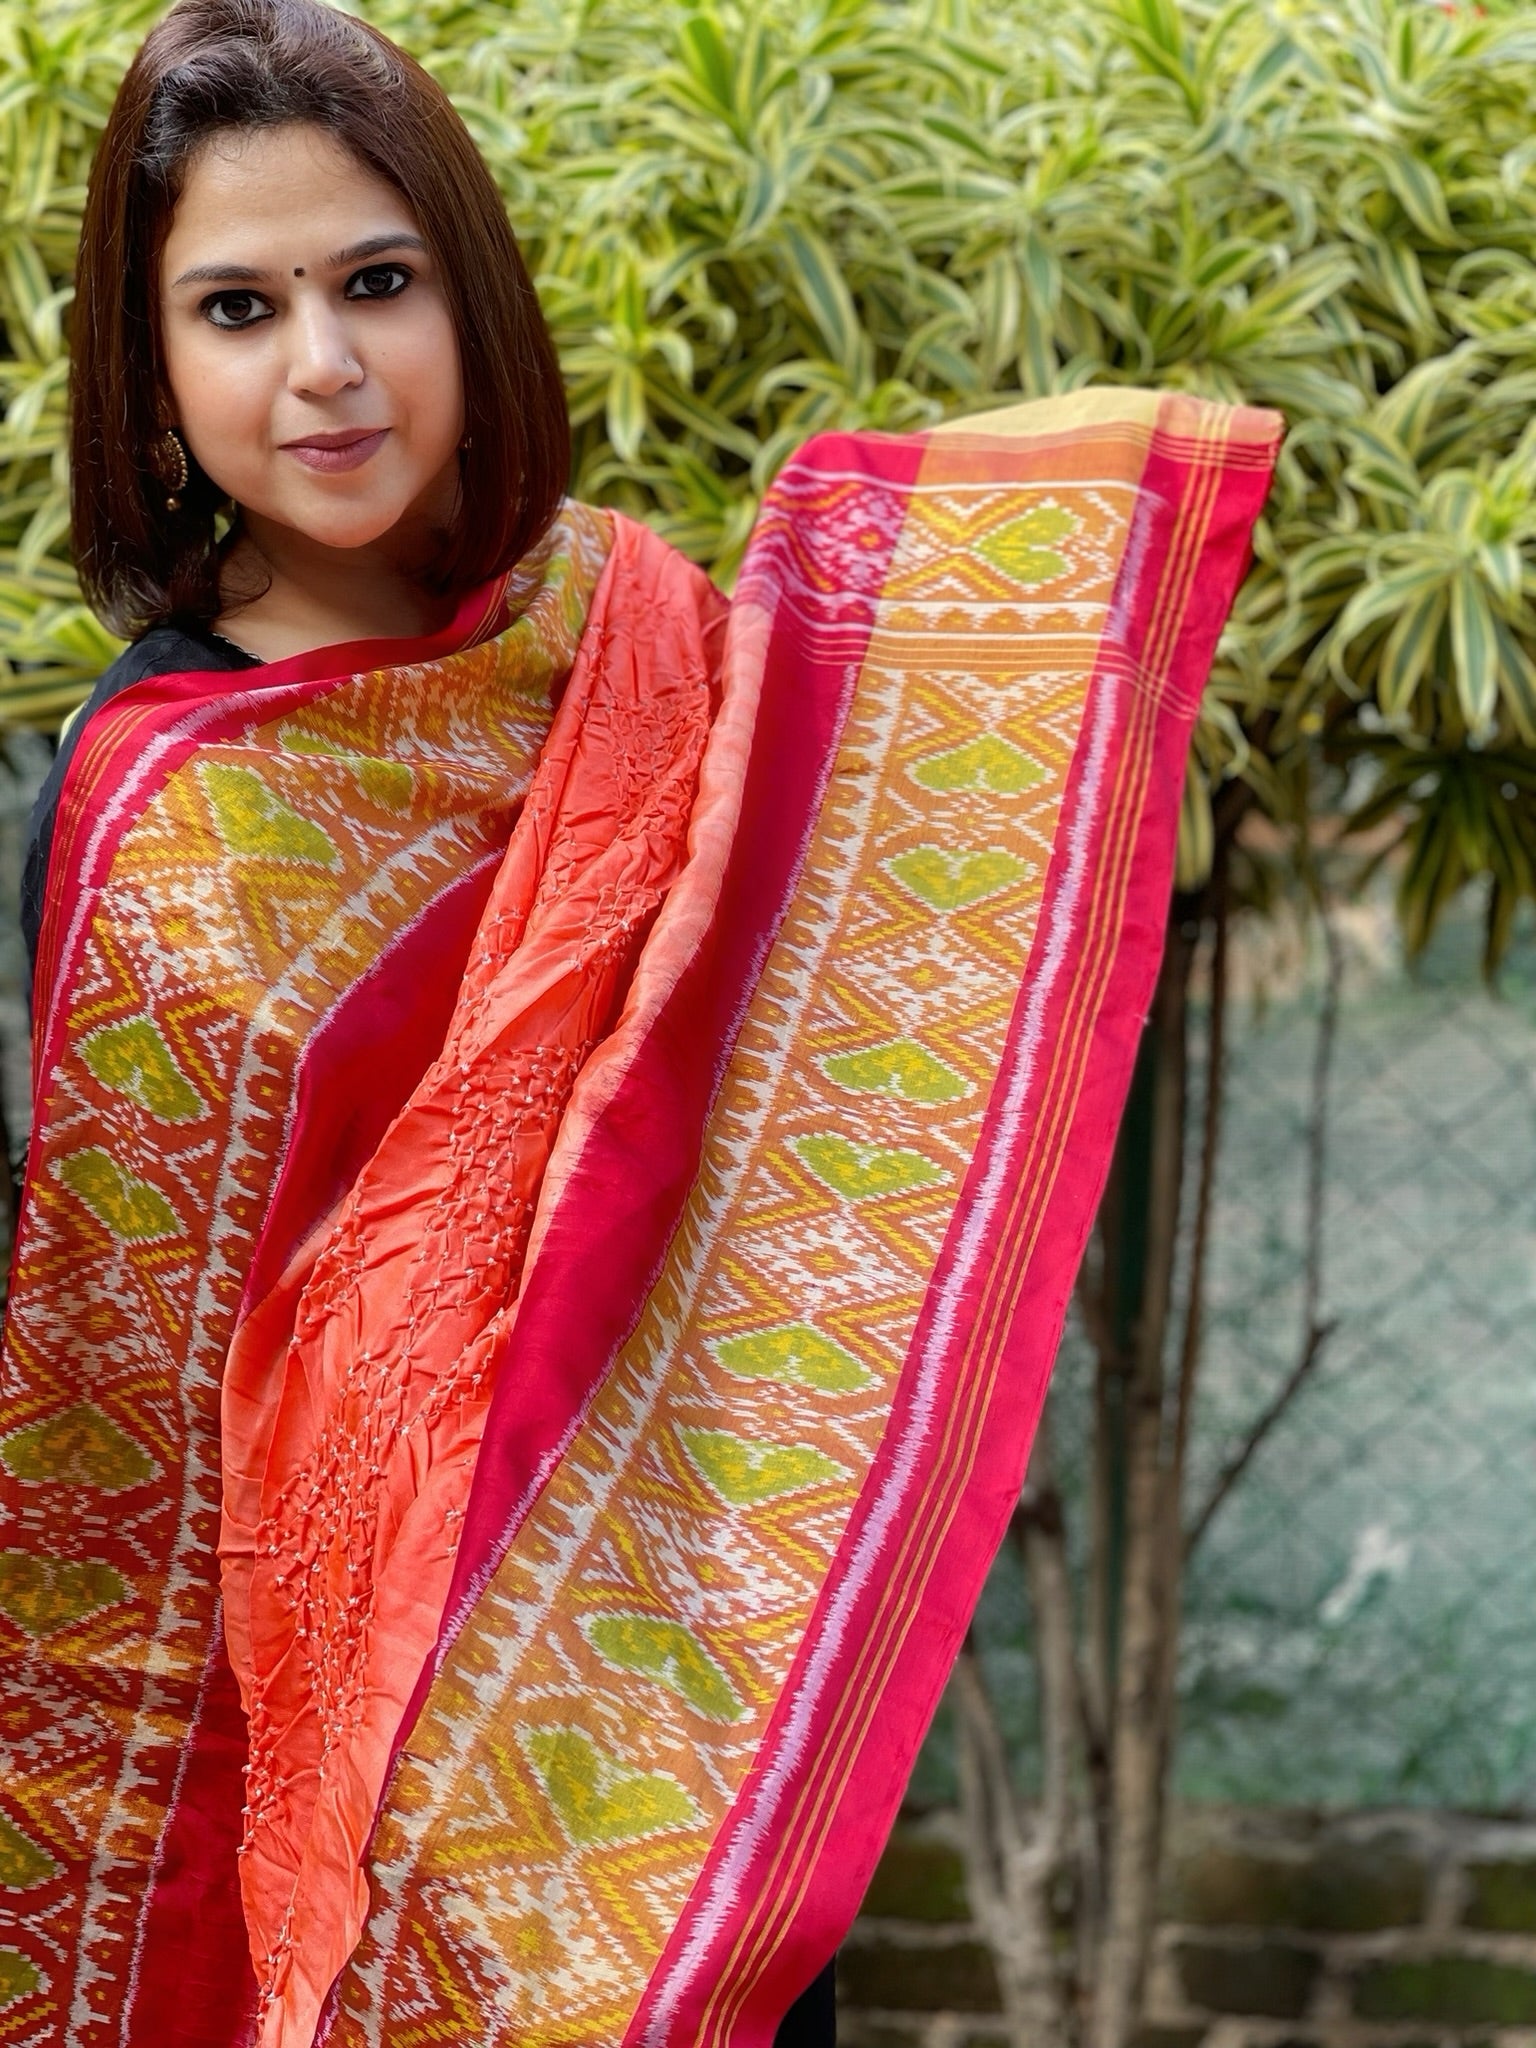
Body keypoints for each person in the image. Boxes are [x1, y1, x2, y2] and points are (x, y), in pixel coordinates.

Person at [1, 0, 1278, 2041]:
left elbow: (809, 1020)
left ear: (470, 301)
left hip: (688, 1693)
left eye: (377, 284)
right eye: (236, 308)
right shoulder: (159, 797)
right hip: (379, 1761)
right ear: (151, 374)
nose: (321, 368)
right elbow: (126, 1403)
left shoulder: (631, 624)